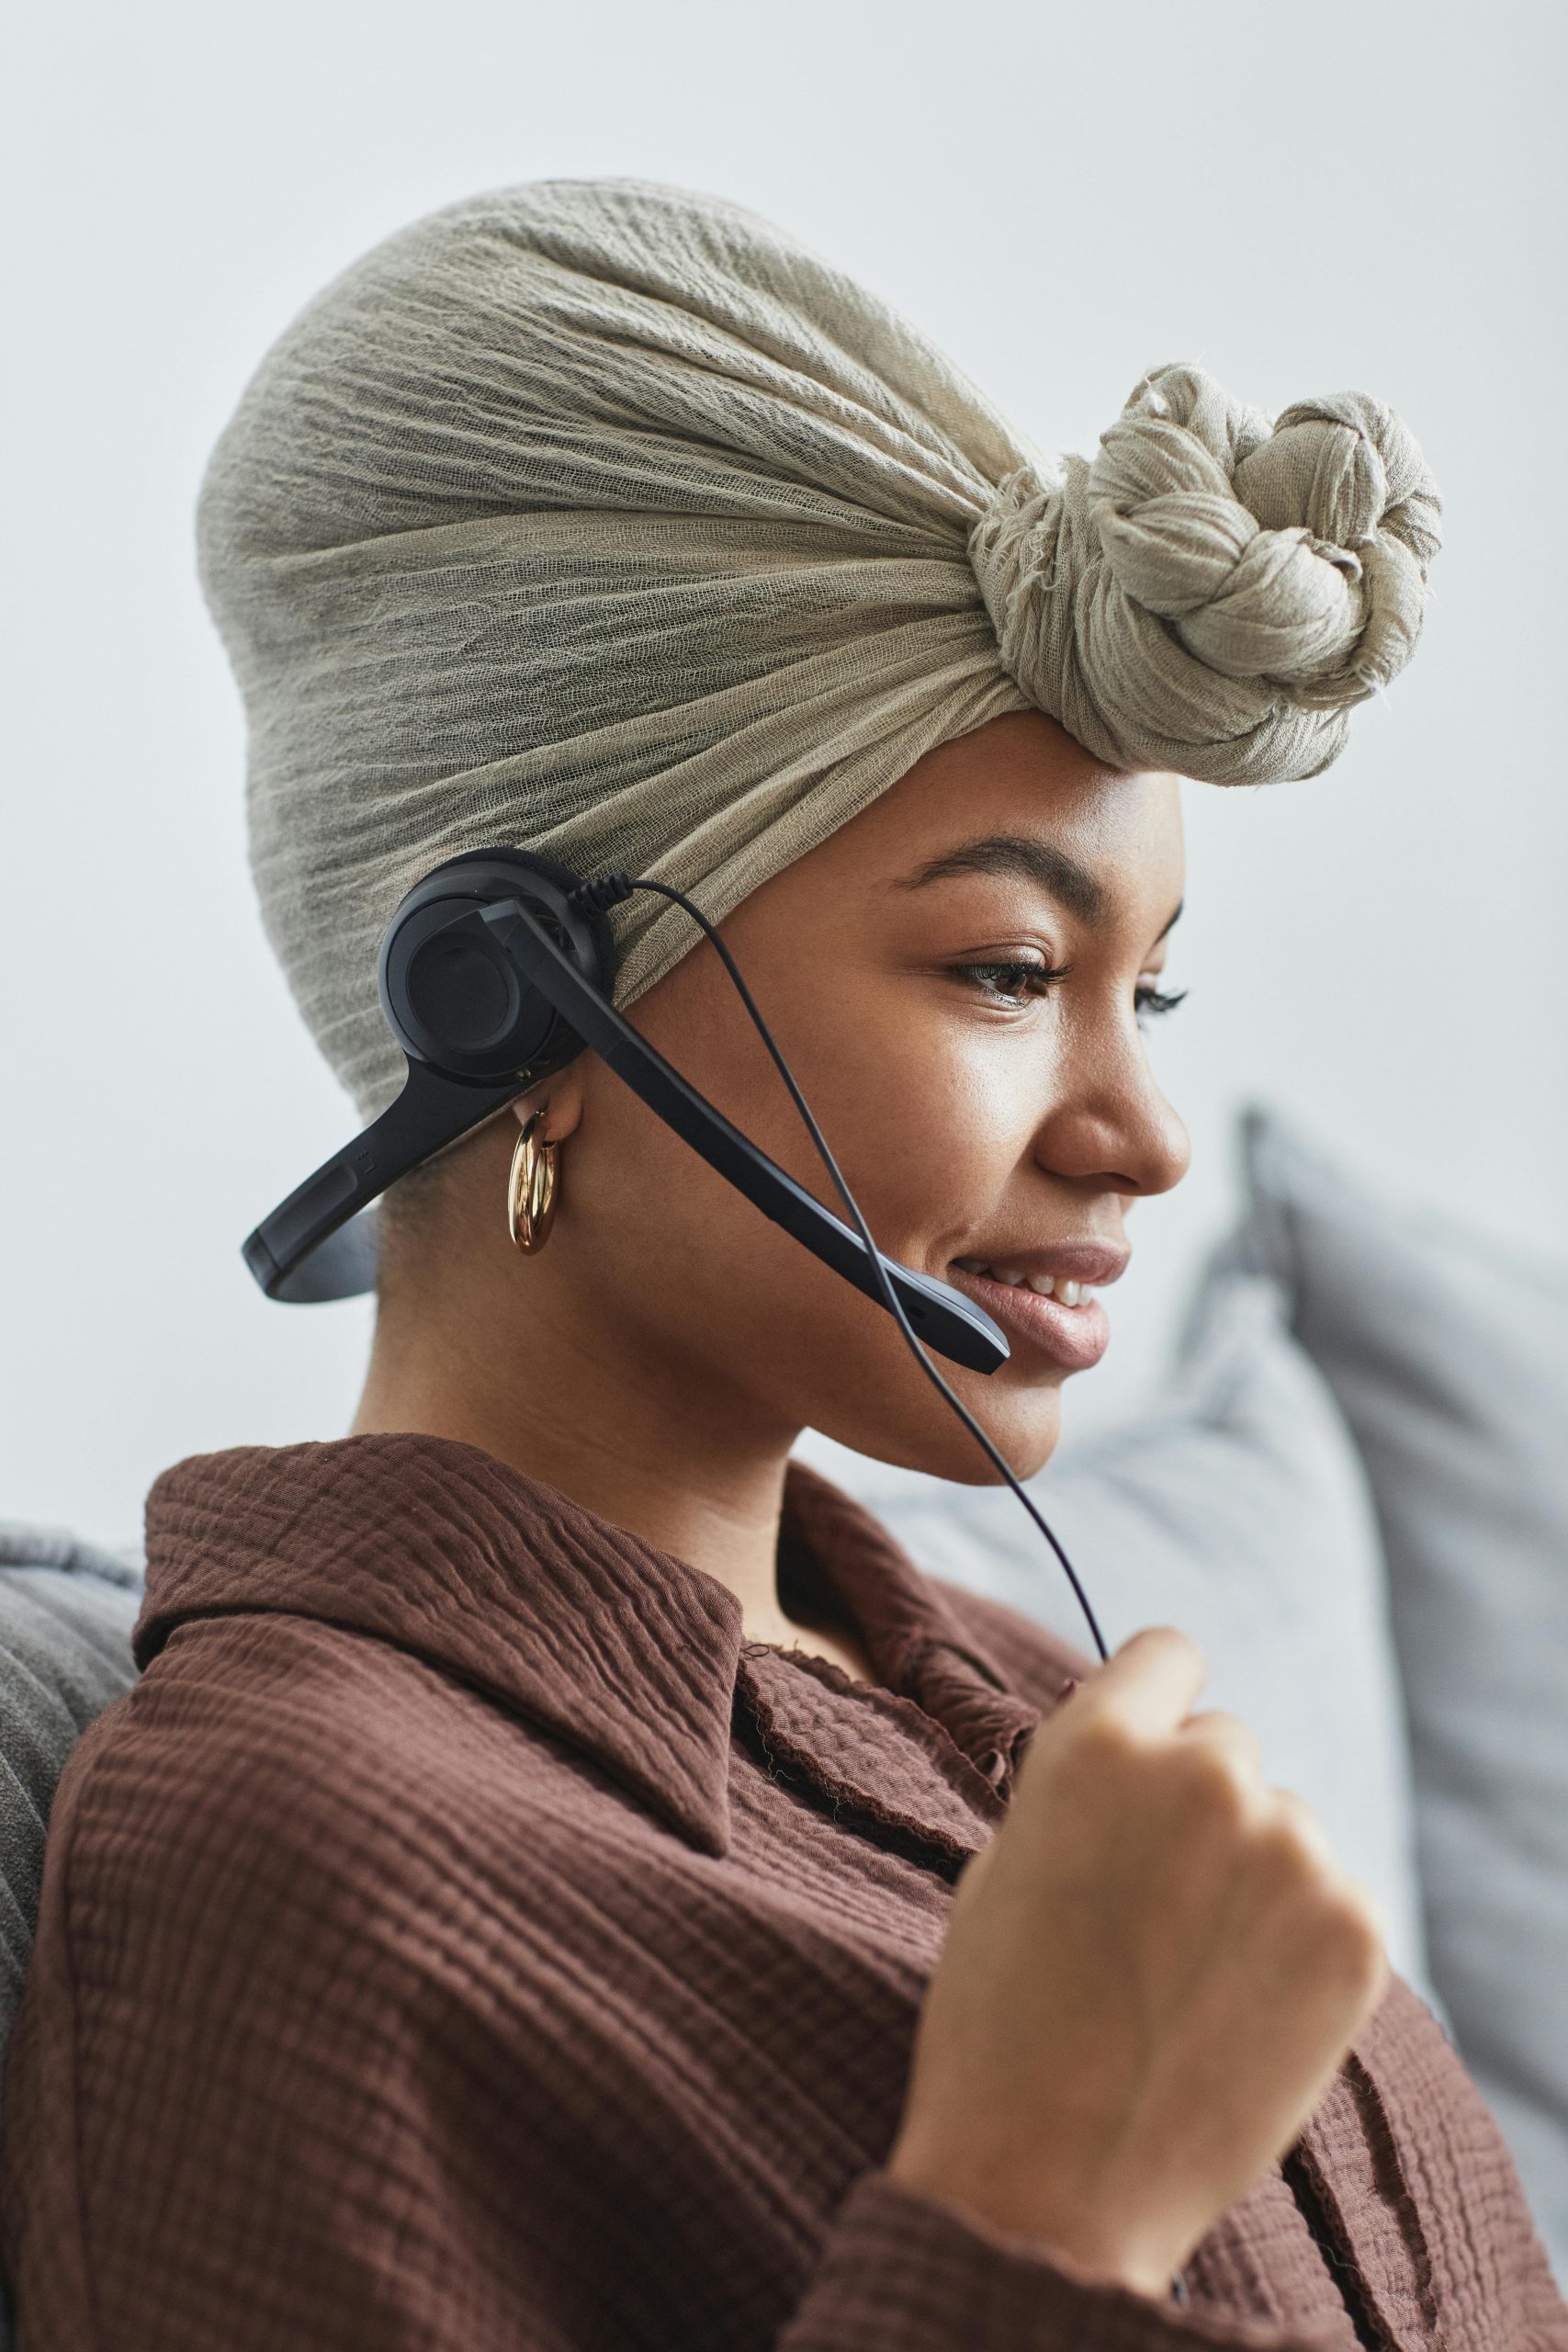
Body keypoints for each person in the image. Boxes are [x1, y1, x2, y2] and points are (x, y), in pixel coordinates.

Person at [1, 178, 1561, 2350]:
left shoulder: (1011, 1698)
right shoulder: (294, 1855)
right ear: (511, 1007)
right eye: (1012, 967)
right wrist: (1032, 2226)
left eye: (1153, 994)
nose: (1142, 1134)